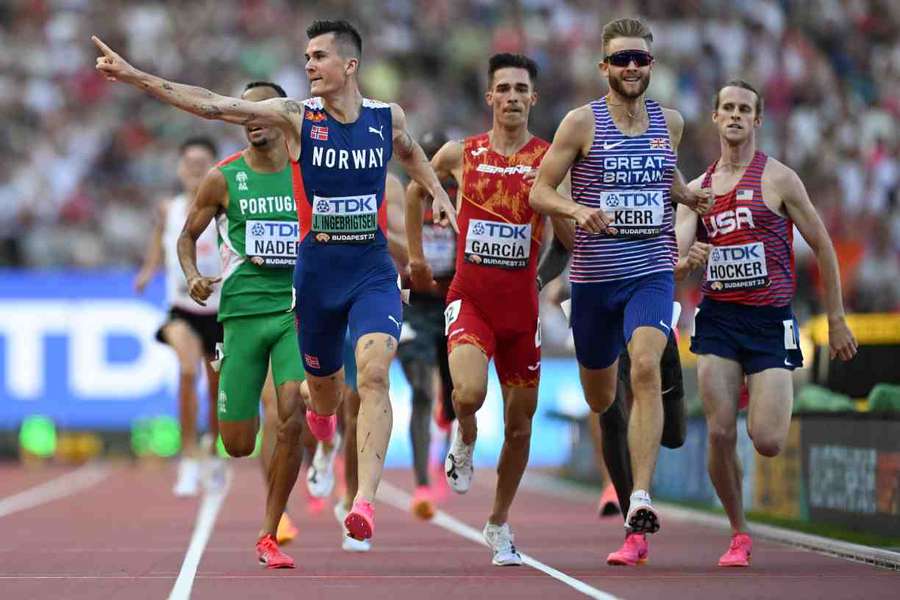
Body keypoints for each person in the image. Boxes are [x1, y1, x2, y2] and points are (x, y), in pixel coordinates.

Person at [92, 18, 453, 545]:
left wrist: (435, 193)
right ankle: (323, 428)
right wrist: (136, 77)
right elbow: (213, 104)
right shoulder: (295, 117)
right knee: (302, 411)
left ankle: (363, 504)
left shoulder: (384, 116)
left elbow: (410, 150)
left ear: (349, 64)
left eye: (319, 56)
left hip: (372, 270)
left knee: (373, 377)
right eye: (306, 57)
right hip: (316, 277)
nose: (308, 65)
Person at [529, 16, 713, 548]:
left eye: (640, 59)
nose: (632, 67)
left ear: (651, 65)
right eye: (621, 59)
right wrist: (576, 208)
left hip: (651, 271)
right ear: (603, 66)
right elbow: (541, 192)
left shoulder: (670, 122)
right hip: (593, 281)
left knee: (647, 366)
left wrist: (684, 196)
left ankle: (640, 499)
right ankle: (624, 484)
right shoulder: (579, 124)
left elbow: (664, 173)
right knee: (602, 398)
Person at [677, 80, 858, 567]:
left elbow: (822, 245)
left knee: (770, 441)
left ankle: (754, 395)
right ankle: (739, 532)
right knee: (718, 433)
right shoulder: (695, 192)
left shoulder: (779, 179)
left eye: (744, 109)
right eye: (727, 108)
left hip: (770, 321)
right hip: (718, 320)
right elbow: (670, 258)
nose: (735, 116)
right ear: (714, 118)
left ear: (757, 120)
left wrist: (836, 318)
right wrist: (687, 258)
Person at [408, 53, 562, 566]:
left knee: (521, 427)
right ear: (490, 98)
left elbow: (565, 239)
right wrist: (414, 255)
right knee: (468, 394)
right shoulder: (460, 154)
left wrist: (542, 276)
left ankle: (498, 524)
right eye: (504, 88)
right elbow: (414, 186)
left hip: (522, 312)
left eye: (522, 89)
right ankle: (464, 434)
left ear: (533, 99)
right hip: (469, 300)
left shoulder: (549, 160)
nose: (513, 97)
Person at [182, 80, 308, 568]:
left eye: (262, 112)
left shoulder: (308, 174)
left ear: (283, 116)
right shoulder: (222, 178)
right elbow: (186, 237)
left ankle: (269, 532)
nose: (253, 120)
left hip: (294, 312)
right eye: (243, 114)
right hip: (239, 319)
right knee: (238, 443)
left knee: (291, 411)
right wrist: (193, 274)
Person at [535, 224, 711, 565]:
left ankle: (635, 497)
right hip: (598, 305)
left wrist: (687, 261)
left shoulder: (659, 179)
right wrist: (541, 282)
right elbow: (559, 244)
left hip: (647, 301)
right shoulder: (585, 182)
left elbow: (688, 233)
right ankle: (633, 522)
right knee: (609, 412)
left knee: (674, 435)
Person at [134, 136, 224, 497]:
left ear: (215, 167)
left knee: (218, 385)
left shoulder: (226, 207)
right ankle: (188, 458)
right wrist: (148, 270)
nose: (195, 170)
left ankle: (212, 452)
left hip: (221, 311)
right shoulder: (168, 208)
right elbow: (160, 238)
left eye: (203, 163)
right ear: (178, 168)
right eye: (189, 163)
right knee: (187, 370)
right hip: (181, 310)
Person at [399, 129, 456, 520]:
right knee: (420, 389)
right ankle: (421, 484)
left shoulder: (462, 199)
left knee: (454, 395)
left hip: (452, 302)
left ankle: (444, 441)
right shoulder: (408, 199)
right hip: (413, 306)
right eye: (427, 157)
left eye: (441, 159)